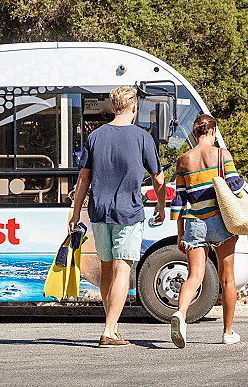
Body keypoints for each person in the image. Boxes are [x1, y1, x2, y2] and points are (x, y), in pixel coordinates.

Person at [69, 86, 166, 348]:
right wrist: (160, 205)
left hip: (99, 212)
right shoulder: (142, 137)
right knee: (123, 268)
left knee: (107, 268)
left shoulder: (96, 136)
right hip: (129, 212)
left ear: (113, 108)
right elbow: (158, 178)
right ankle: (109, 330)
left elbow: (83, 179)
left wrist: (76, 213)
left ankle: (111, 324)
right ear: (134, 107)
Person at [169, 114, 245, 348]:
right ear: (212, 132)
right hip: (221, 222)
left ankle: (181, 314)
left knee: (194, 276)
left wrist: (180, 233)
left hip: (194, 223)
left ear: (195, 133)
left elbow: (179, 201)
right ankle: (228, 333)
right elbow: (235, 186)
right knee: (227, 279)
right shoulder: (222, 154)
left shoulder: (183, 159)